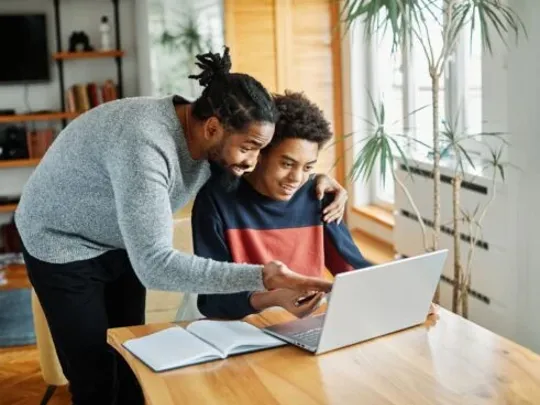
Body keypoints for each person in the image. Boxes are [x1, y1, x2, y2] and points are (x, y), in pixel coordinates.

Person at [14, 48, 345, 405]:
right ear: (213, 127)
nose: (252, 161)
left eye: (258, 151)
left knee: (128, 358)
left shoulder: (216, 135)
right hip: (61, 241)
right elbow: (155, 265)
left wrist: (315, 183)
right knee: (93, 376)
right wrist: (262, 276)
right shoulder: (146, 144)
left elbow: (268, 171)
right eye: (249, 149)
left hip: (120, 239)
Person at [191, 90, 372, 320]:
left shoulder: (318, 196)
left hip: (307, 328)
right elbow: (212, 301)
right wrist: (274, 298)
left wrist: (403, 300)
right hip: (243, 331)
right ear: (260, 154)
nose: (296, 179)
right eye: (287, 164)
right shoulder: (216, 201)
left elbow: (353, 271)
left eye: (308, 168)